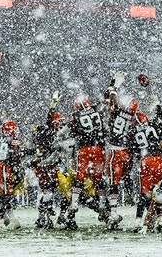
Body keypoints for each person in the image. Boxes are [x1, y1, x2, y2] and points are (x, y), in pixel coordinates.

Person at [30, 90, 73, 229]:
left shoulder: (52, 132)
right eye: (59, 122)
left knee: (62, 191)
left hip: (51, 164)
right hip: (46, 164)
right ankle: (45, 217)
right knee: (49, 191)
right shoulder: (47, 131)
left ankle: (56, 216)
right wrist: (53, 106)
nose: (61, 125)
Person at [64, 95, 108, 230]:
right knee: (99, 179)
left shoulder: (75, 116)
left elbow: (71, 131)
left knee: (80, 177)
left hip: (84, 148)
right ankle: (101, 205)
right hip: (99, 148)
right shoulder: (97, 108)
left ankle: (75, 203)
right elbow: (106, 103)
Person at [105, 73, 138, 228]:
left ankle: (113, 213)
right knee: (126, 176)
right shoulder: (133, 119)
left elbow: (111, 103)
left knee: (113, 183)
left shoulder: (117, 112)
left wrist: (115, 86)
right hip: (127, 153)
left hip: (115, 151)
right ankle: (131, 192)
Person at [132, 96, 162, 231]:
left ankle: (138, 220)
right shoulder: (153, 126)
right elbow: (161, 120)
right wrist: (157, 105)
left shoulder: (133, 133)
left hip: (146, 161)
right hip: (159, 160)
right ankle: (160, 217)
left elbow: (134, 151)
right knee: (158, 191)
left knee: (145, 192)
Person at [0, 120, 24, 230]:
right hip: (5, 168)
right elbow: (16, 156)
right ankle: (9, 219)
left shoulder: (2, 139)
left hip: (1, 168)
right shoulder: (12, 140)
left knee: (4, 195)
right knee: (5, 195)